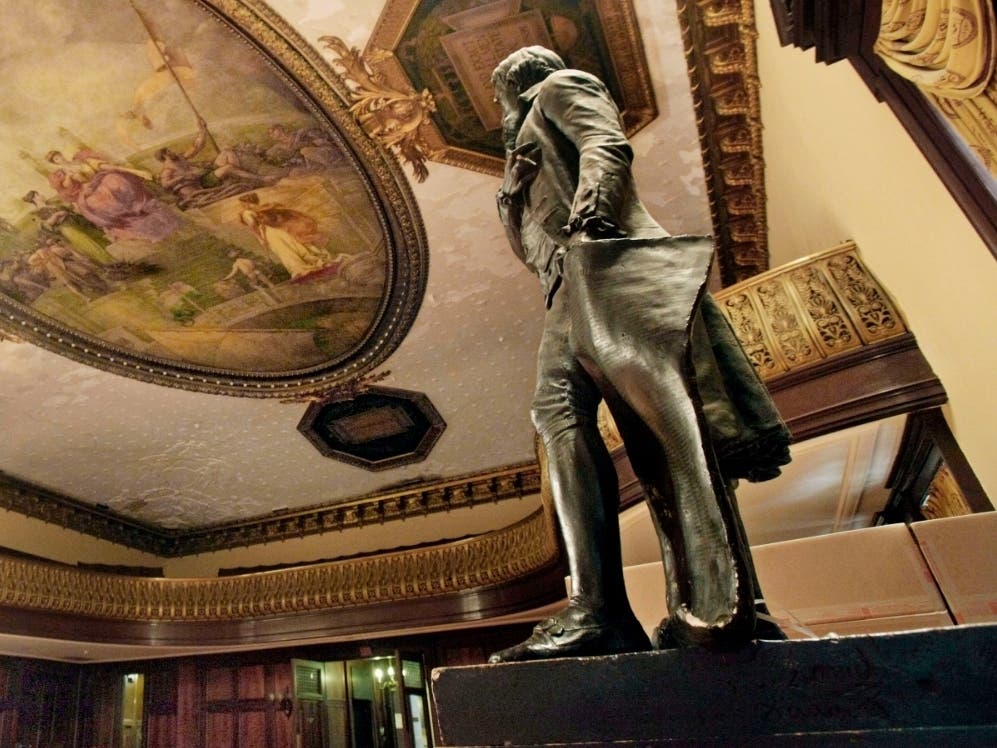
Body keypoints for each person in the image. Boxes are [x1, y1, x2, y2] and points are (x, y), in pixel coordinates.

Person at [488, 47, 791, 662]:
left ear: (512, 84)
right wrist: (513, 192)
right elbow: (529, 250)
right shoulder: (518, 158)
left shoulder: (559, 86)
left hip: (603, 262)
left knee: (667, 425)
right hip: (565, 291)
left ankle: (707, 601)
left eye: (499, 97)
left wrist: (591, 220)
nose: (499, 110)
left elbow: (605, 144)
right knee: (556, 416)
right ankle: (598, 611)